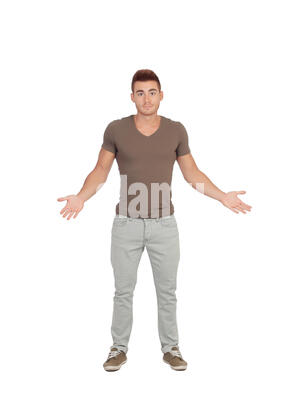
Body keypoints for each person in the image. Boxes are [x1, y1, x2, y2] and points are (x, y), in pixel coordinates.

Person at [57, 69, 252, 372]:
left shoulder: (176, 130)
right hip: (126, 224)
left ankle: (171, 348)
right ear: (132, 96)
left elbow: (192, 175)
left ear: (161, 95)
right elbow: (100, 170)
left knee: (167, 291)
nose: (146, 98)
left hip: (164, 225)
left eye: (152, 92)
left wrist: (222, 195)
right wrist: (82, 196)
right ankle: (118, 348)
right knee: (123, 291)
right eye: (140, 93)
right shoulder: (116, 129)